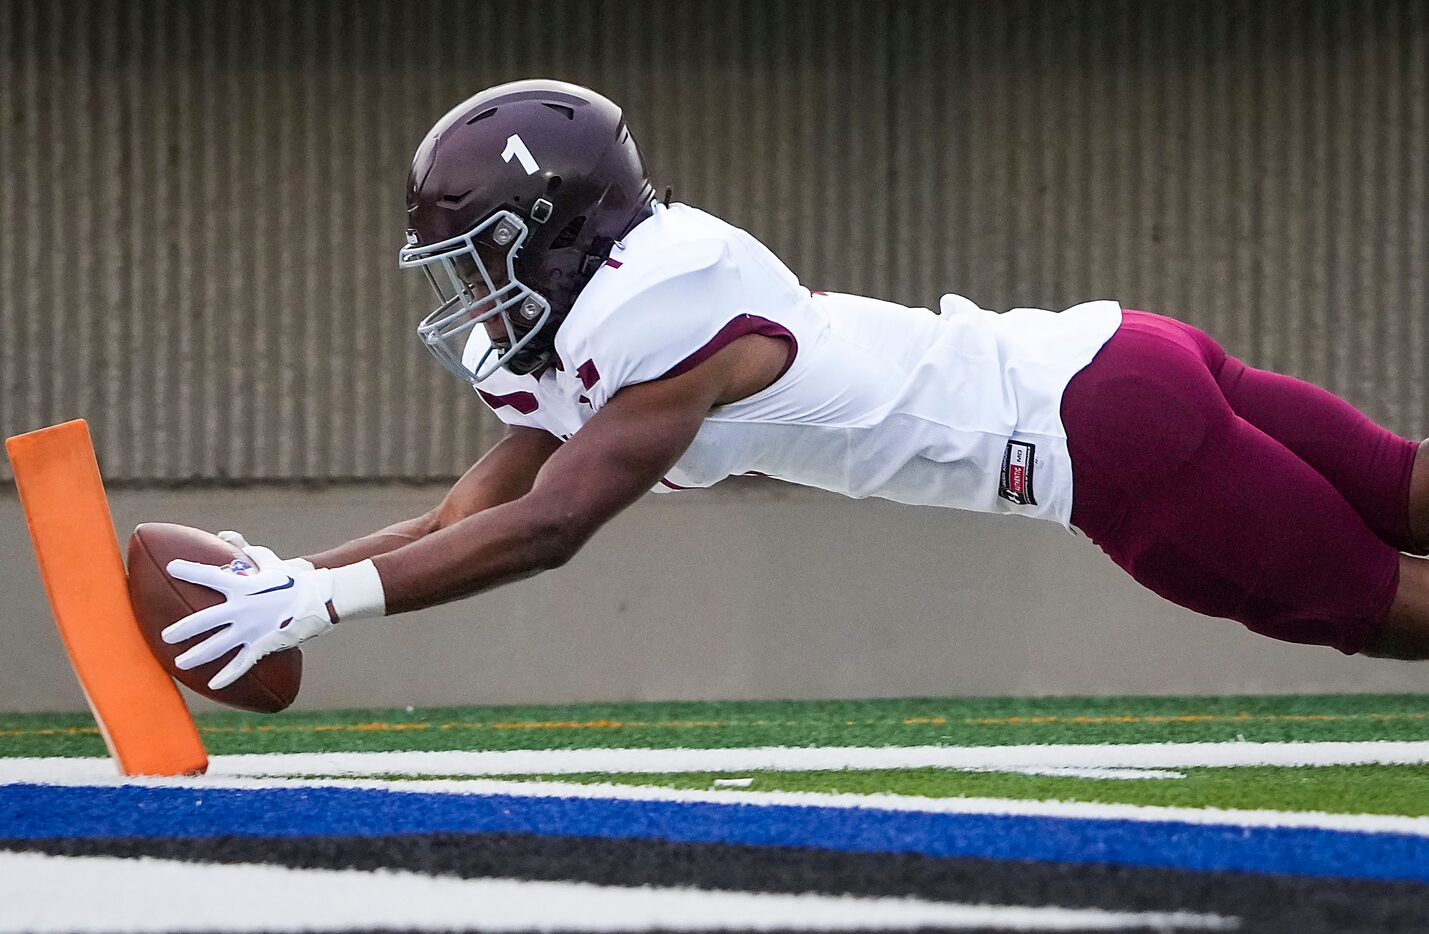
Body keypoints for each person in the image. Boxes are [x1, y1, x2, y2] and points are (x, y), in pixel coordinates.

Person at [162, 79, 1429, 691]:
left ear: (554, 226)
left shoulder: (663, 312)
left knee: (1372, 600)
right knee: (1399, 487)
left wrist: (320, 608)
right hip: (1117, 355)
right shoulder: (631, 292)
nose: (476, 300)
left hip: (1099, 438)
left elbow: (548, 529)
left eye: (485, 259)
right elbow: (462, 521)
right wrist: (287, 580)